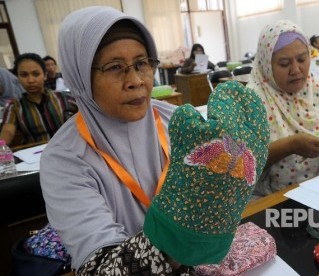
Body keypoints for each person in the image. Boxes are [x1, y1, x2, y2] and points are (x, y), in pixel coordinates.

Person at [40, 6, 269, 274]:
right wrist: (189, 225)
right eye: (115, 67)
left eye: (142, 63)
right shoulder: (64, 159)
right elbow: (100, 268)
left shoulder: (179, 122)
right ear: (80, 76)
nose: (136, 80)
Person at [247, 20, 319, 197]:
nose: (296, 70)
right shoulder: (252, 101)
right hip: (277, 200)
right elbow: (244, 165)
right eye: (285, 64)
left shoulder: (316, 88)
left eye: (302, 59)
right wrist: (289, 146)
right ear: (266, 65)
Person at [0, 53, 77, 146]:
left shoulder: (64, 98)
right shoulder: (14, 106)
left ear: (45, 75)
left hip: (68, 149)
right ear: (18, 78)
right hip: (35, 156)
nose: (30, 80)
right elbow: (8, 131)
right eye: (24, 75)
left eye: (36, 74)